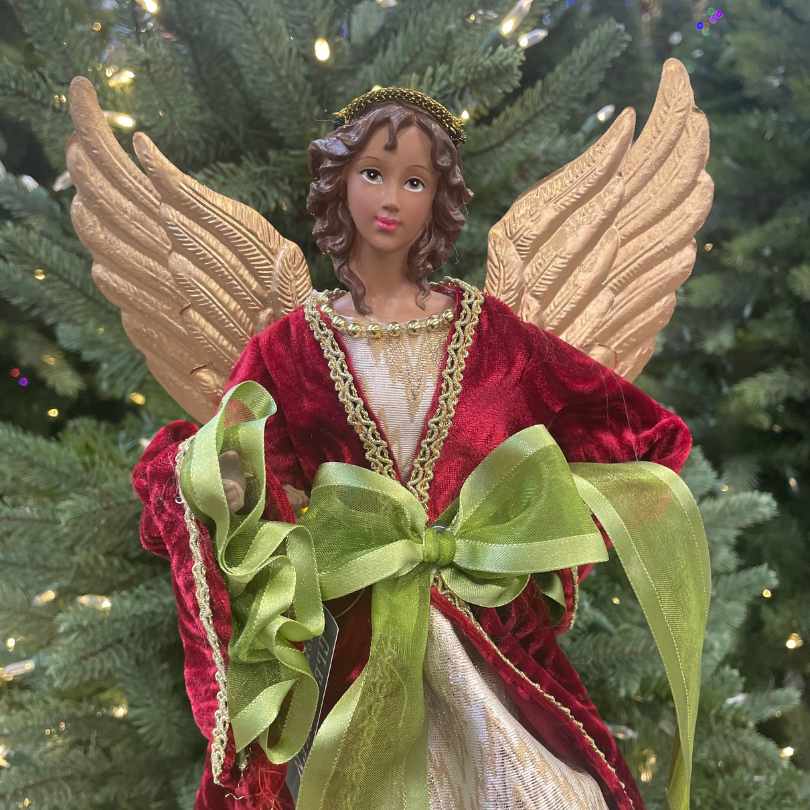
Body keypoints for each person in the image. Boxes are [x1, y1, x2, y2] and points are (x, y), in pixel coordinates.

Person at [133, 91, 693, 810]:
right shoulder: (290, 347)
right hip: (351, 641)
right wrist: (229, 481)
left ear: (440, 201)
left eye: (415, 181)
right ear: (339, 181)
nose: (390, 199)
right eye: (372, 173)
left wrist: (534, 527)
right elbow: (228, 466)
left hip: (487, 633)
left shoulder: (493, 335)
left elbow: (639, 433)